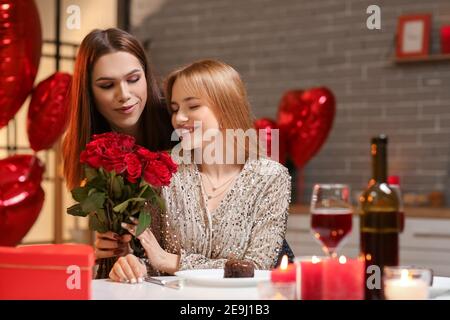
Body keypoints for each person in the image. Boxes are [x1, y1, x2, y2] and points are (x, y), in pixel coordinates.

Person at [107, 59, 292, 283]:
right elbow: (152, 260)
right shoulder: (164, 172)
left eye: (192, 106)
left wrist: (173, 262)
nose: (179, 118)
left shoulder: (271, 177)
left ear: (226, 107)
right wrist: (133, 265)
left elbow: (257, 267)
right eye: (175, 109)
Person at [62, 28, 174, 260]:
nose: (124, 94)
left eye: (133, 79)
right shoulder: (84, 146)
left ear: (146, 75)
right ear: (89, 92)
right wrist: (103, 247)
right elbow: (99, 222)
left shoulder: (176, 123)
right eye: (106, 85)